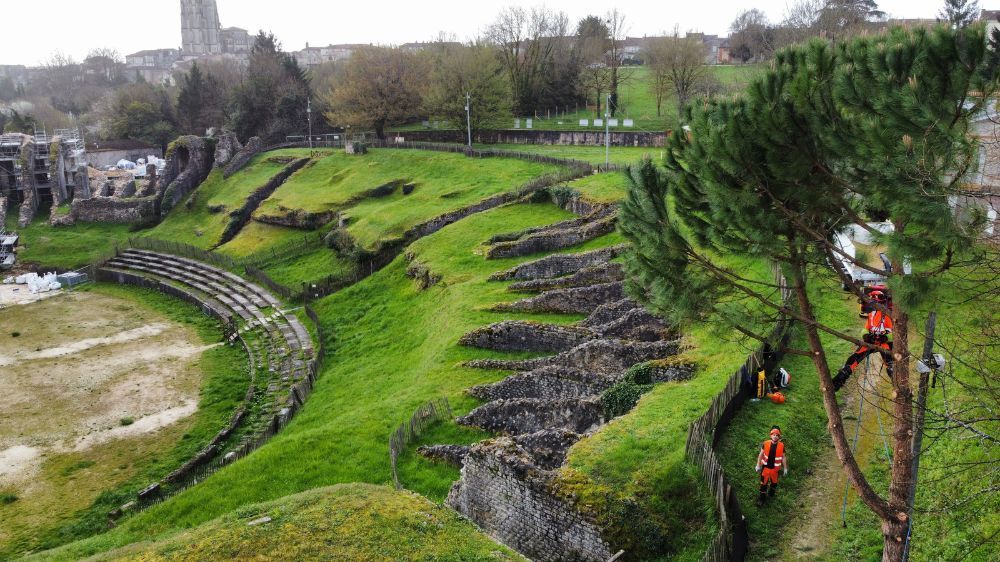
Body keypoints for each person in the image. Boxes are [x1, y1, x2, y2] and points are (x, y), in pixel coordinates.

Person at [833, 289, 894, 391]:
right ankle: (838, 381)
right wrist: (866, 335)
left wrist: (886, 337)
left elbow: (895, 332)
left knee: (891, 365)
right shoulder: (871, 314)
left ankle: (898, 386)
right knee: (854, 358)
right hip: (872, 341)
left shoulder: (888, 314)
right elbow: (866, 328)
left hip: (885, 343)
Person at [755, 427, 788, 505]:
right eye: (773, 435)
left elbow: (783, 457)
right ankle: (761, 499)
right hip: (765, 469)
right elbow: (761, 455)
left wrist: (785, 468)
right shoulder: (766, 443)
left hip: (775, 470)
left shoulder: (781, 445)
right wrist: (758, 465)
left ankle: (771, 495)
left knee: (774, 483)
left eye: (777, 435)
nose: (775, 436)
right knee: (763, 484)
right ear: (771, 435)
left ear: (779, 437)